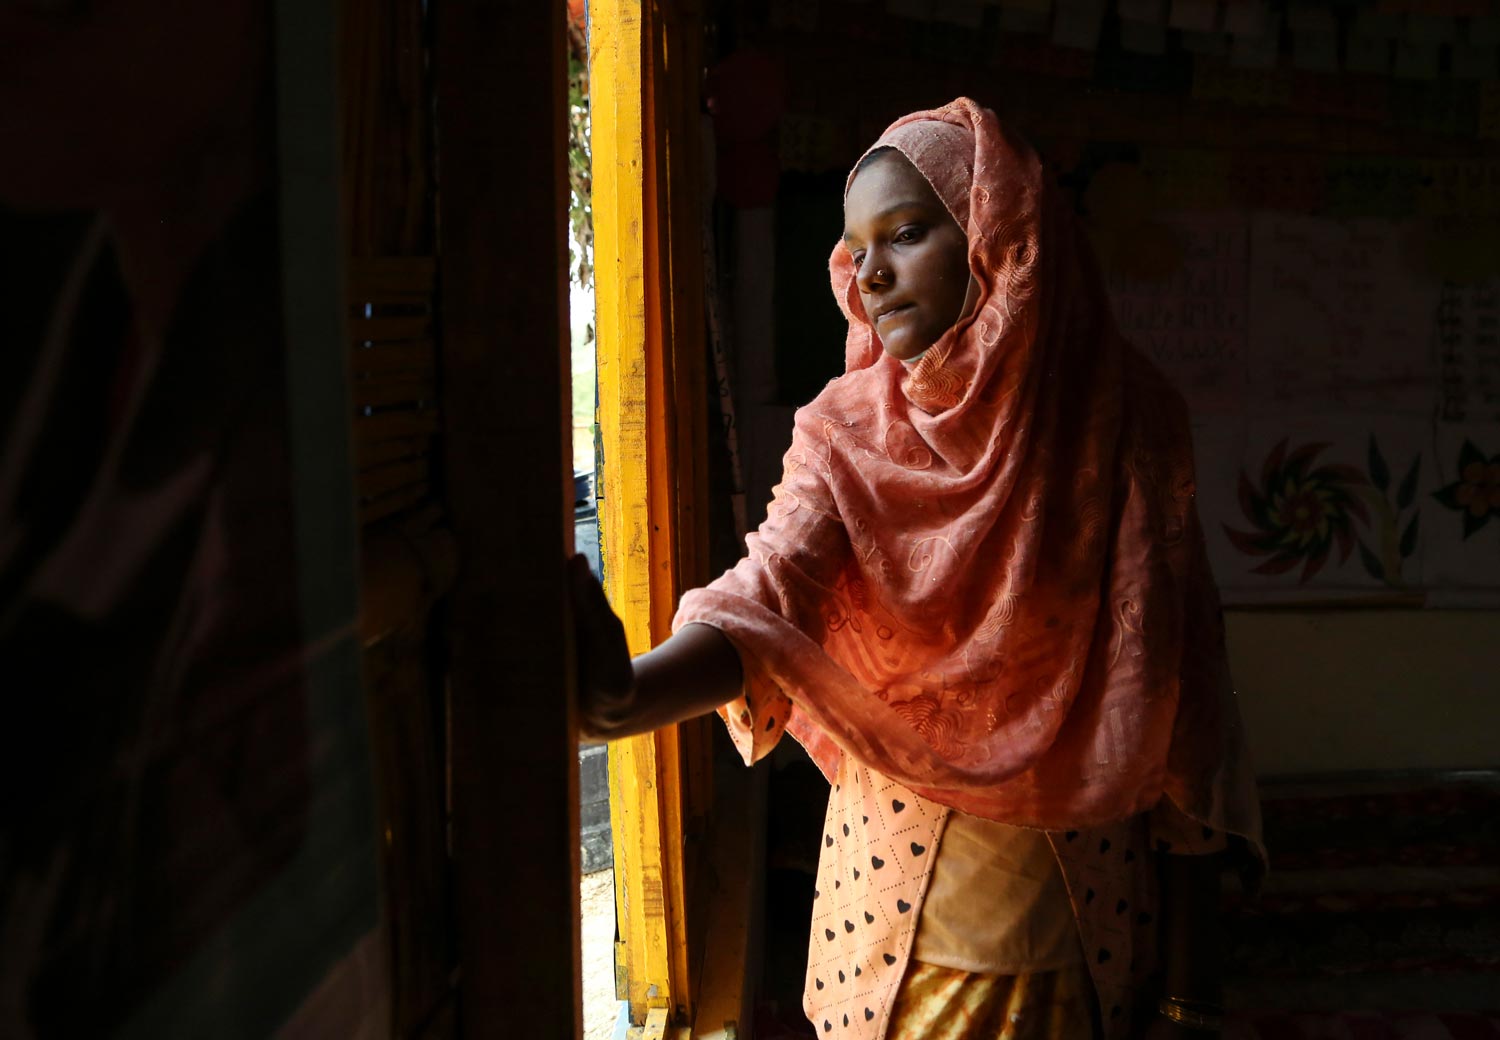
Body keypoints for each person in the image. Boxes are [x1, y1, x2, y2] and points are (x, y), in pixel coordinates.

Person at [571, 97, 1264, 1040]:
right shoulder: (846, 436)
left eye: (906, 233)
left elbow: (1184, 706)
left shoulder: (1125, 425)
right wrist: (624, 699)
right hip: (891, 933)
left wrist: (1192, 996)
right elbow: (763, 597)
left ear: (999, 238)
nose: (874, 275)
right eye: (857, 253)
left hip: (1083, 930)